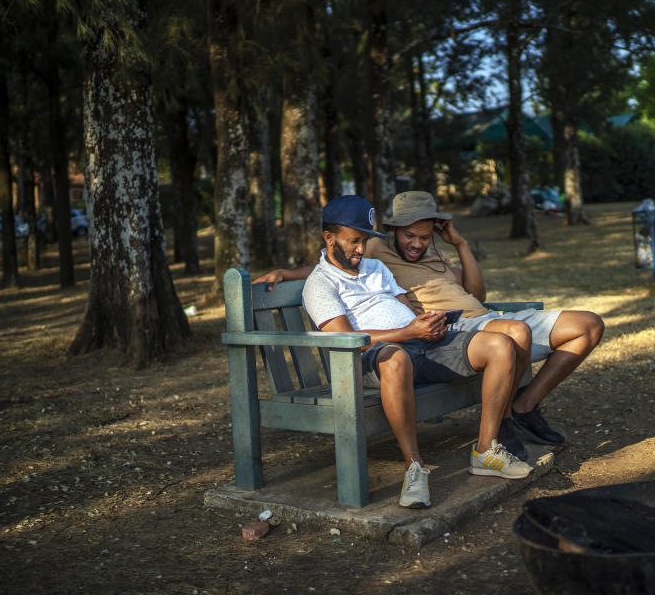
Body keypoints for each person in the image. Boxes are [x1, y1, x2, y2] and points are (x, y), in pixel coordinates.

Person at [256, 191, 605, 460]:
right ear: (393, 231)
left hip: (458, 327)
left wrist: (460, 244)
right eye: (410, 235)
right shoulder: (376, 250)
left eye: (425, 236)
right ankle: (501, 425)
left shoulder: (427, 255)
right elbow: (336, 264)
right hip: (422, 341)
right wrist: (289, 273)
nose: (417, 243)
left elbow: (475, 294)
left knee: (583, 326)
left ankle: (515, 414)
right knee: (514, 334)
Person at [300, 195, 532, 509]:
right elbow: (346, 338)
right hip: (371, 358)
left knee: (501, 345)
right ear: (329, 237)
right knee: (396, 359)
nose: (360, 249)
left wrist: (425, 323)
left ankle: (486, 450)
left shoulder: (375, 267)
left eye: (364, 240)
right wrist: (407, 332)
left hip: (419, 344)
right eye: (354, 241)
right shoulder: (320, 284)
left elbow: (405, 308)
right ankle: (414, 467)